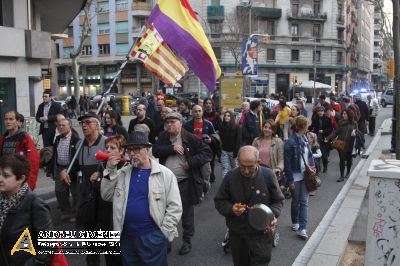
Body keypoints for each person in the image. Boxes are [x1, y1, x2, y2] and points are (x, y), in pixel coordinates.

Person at [101, 132, 182, 265]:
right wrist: (110, 169)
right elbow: (106, 195)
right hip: (127, 237)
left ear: (148, 150)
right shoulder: (123, 173)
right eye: (130, 150)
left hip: (152, 236)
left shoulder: (165, 174)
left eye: (137, 149)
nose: (132, 153)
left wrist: (163, 233)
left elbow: (175, 206)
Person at [153, 112, 212, 255]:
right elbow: (155, 150)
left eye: (173, 122)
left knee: (186, 214)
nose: (169, 125)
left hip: (185, 182)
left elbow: (207, 153)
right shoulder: (163, 137)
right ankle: (167, 240)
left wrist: (190, 163)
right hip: (165, 184)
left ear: (180, 123)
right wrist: (171, 149)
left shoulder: (189, 137)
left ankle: (187, 241)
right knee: (165, 214)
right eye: (167, 122)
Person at [58, 112, 114, 266]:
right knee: (91, 241)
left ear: (97, 125)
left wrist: (102, 173)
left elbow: (119, 166)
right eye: (82, 123)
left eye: (88, 122)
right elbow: (73, 168)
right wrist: (64, 171)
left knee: (109, 241)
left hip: (105, 196)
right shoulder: (78, 145)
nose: (84, 126)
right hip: (88, 196)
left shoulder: (108, 143)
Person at [214, 146, 284, 266]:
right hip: (238, 234)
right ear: (237, 162)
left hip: (261, 234)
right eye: (242, 166)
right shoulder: (230, 177)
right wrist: (231, 209)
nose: (246, 171)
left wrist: (270, 216)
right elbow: (219, 200)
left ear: (258, 162)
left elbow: (278, 201)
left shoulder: (268, 175)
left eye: (250, 167)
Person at [0, 154, 52, 266]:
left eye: (6, 176)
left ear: (21, 178)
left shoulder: (35, 205)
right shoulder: (2, 201)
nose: (0, 179)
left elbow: (47, 247)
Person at [284, 115, 315, 239]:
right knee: (296, 201)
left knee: (304, 202)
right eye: (306, 126)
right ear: (302, 127)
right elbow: (287, 163)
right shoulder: (290, 142)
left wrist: (313, 168)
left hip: (305, 175)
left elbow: (310, 156)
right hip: (295, 176)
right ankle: (295, 222)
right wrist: (290, 180)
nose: (307, 128)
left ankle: (303, 228)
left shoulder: (305, 138)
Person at [0, 110, 40, 190]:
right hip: (5, 180)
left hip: (19, 182)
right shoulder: (3, 139)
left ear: (18, 122)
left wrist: (29, 184)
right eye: (6, 119)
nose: (8, 121)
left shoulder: (24, 138)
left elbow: (33, 161)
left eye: (11, 119)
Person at [52, 118, 80, 222]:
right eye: (59, 125)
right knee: (59, 190)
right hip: (60, 168)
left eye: (63, 125)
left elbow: (77, 158)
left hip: (73, 168)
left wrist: (71, 170)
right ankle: (66, 211)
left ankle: (75, 213)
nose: (61, 127)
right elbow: (55, 154)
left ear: (70, 126)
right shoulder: (58, 138)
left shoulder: (76, 139)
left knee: (75, 193)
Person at [184, 105, 219, 183]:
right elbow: (184, 138)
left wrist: (211, 139)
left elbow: (214, 136)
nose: (198, 113)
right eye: (195, 111)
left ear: (202, 112)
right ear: (192, 113)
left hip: (205, 152)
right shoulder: (187, 125)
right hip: (192, 152)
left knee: (206, 173)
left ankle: (205, 186)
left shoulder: (208, 124)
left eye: (199, 111)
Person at [329, 109, 357, 182]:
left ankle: (347, 172)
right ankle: (341, 176)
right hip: (341, 144)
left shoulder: (354, 123)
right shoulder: (340, 122)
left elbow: (357, 132)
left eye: (345, 114)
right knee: (342, 160)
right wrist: (330, 138)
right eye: (343, 114)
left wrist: (354, 134)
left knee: (349, 160)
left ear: (349, 115)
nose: (344, 115)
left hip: (350, 144)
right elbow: (336, 132)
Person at [309, 106, 333, 173]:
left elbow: (330, 129)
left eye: (321, 111)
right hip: (316, 139)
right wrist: (307, 129)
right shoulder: (315, 118)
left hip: (323, 139)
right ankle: (318, 168)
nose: (320, 112)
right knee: (316, 154)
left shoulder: (327, 119)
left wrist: (324, 131)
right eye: (319, 111)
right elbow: (312, 126)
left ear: (324, 112)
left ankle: (325, 166)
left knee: (323, 154)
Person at [219, 110, 241, 177]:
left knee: (234, 169)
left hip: (233, 152)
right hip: (224, 151)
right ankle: (225, 184)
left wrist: (236, 152)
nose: (226, 117)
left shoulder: (237, 127)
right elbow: (221, 139)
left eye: (228, 116)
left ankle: (234, 183)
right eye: (225, 116)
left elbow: (238, 140)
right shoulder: (222, 127)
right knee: (224, 168)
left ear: (231, 117)